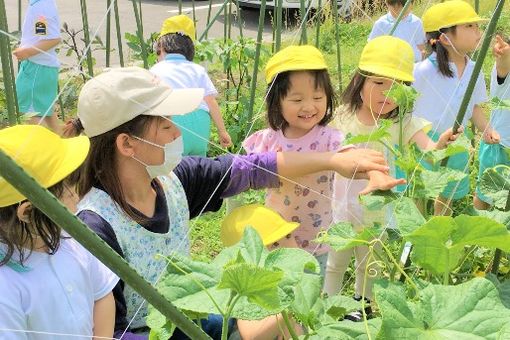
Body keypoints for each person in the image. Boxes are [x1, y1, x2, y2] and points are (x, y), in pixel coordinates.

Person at [65, 66, 401, 339]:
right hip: (151, 333)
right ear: (127, 144)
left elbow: (254, 169)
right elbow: (110, 333)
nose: (178, 134)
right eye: (166, 126)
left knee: (294, 314)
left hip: (189, 317)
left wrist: (333, 161)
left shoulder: (175, 180)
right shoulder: (96, 226)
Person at [326, 36, 461, 321]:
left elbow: (429, 147)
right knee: (336, 259)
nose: (387, 93)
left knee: (370, 261)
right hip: (341, 204)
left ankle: (361, 309)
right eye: (379, 83)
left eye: (397, 86)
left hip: (377, 206)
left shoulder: (402, 122)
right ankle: (327, 304)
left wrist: (443, 143)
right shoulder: (342, 116)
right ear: (360, 82)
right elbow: (326, 149)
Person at [242, 45, 404, 274]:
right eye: (297, 100)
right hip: (276, 235)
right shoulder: (268, 139)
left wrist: (376, 175)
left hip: (316, 238)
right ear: (276, 101)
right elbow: (245, 170)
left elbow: (355, 157)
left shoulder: (330, 138)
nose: (309, 107)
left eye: (318, 97)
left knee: (309, 294)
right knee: (279, 291)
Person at [0, 125, 118, 339]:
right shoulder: (6, 288)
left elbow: (102, 296)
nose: (78, 195)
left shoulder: (74, 238)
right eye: (69, 188)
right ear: (28, 212)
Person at [412, 0, 500, 215]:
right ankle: (415, 237)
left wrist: (487, 129)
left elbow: (475, 108)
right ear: (444, 38)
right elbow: (407, 111)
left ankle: (441, 229)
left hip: (457, 140)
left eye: (477, 26)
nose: (478, 32)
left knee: (447, 194)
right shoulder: (422, 71)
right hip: (427, 141)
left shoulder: (474, 69)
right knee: (421, 192)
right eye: (469, 26)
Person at [150, 14, 232, 156]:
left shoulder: (155, 70)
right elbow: (211, 101)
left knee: (172, 166)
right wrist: (222, 131)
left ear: (162, 47)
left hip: (173, 122)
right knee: (197, 166)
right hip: (200, 123)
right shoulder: (198, 70)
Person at [13, 0, 62, 133]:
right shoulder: (42, 4)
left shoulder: (41, 8)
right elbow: (42, 35)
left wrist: (27, 52)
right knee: (47, 113)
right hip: (42, 67)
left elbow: (52, 39)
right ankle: (64, 147)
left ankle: (46, 149)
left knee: (29, 114)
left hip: (36, 69)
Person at [475, 35, 510, 210]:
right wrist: (504, 55)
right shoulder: (503, 70)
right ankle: (476, 232)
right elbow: (504, 63)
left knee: (505, 202)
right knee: (485, 196)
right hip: (499, 146)